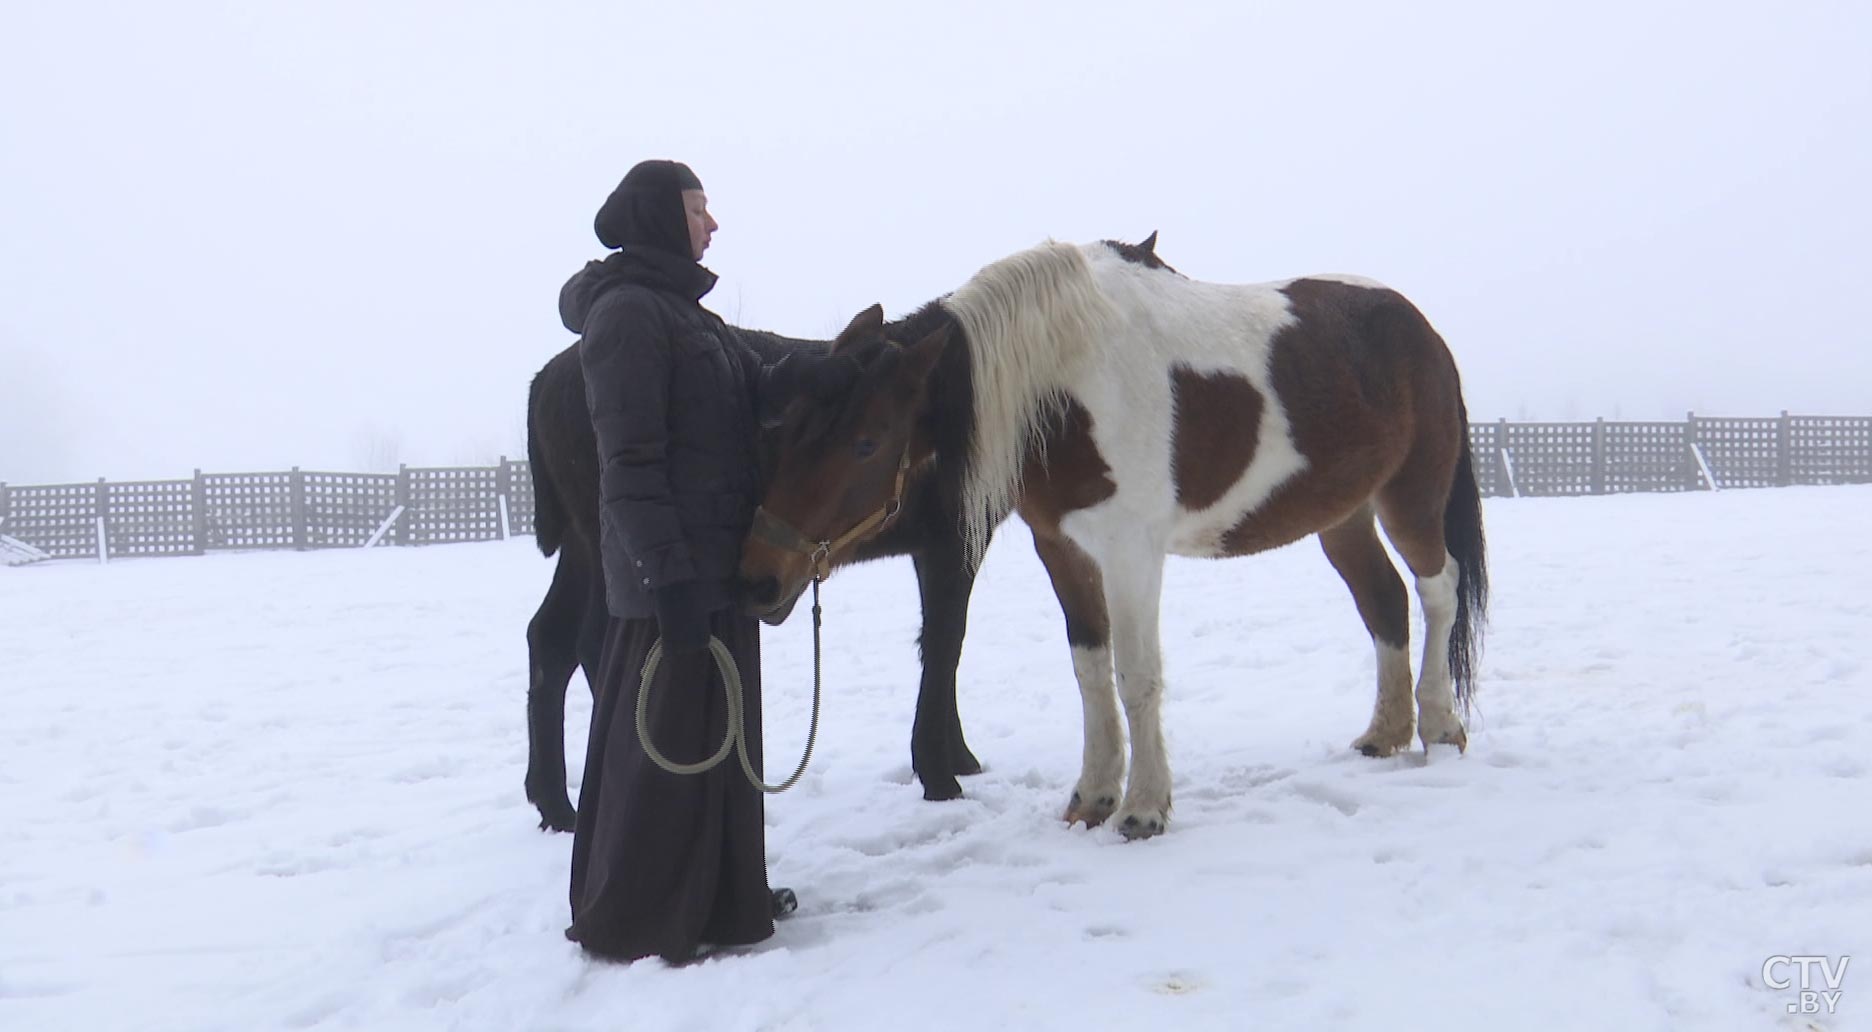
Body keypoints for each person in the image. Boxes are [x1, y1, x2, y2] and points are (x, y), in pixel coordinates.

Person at [557, 159, 812, 963]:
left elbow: (753, 388)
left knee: (724, 752)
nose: (713, 223)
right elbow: (628, 465)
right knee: (667, 759)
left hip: (718, 573)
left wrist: (841, 368)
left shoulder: (688, 316)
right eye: (700, 208)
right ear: (662, 218)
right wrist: (667, 580)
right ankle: (638, 916)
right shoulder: (629, 316)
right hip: (672, 584)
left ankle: (722, 899)